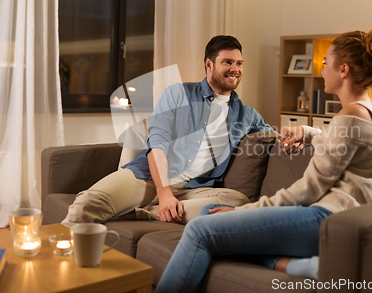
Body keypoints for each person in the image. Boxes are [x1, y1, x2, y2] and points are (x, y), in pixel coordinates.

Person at [154, 28, 372, 293]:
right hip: (327, 217)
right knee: (208, 213)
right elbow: (337, 140)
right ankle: (296, 266)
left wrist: (242, 211)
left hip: (326, 219)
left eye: (325, 63)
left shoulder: (351, 115)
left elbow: (308, 189)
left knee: (200, 230)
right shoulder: (369, 111)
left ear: (343, 70)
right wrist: (306, 133)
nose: (321, 70)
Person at [61, 35, 273, 226]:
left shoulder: (247, 114)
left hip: (195, 188)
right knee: (86, 204)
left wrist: (303, 134)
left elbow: (275, 136)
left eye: (239, 63)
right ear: (209, 64)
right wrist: (164, 194)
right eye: (227, 62)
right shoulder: (178, 94)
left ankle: (145, 212)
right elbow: (157, 143)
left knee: (237, 201)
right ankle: (51, 261)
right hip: (149, 179)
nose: (235, 69)